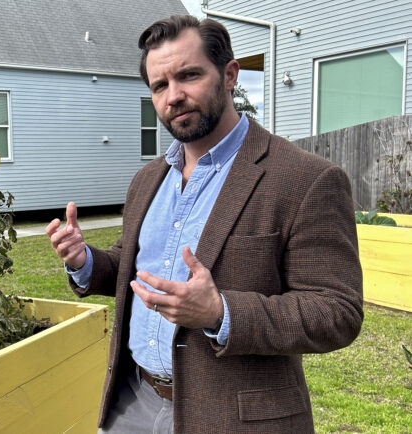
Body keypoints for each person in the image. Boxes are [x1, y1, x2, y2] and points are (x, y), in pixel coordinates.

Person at [45, 15, 362, 433]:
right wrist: (85, 261)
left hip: (234, 419)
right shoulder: (148, 179)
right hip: (133, 402)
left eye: (189, 75)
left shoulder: (305, 179)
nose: (173, 96)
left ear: (229, 75)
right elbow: (134, 265)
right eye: (160, 86)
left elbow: (337, 311)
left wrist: (220, 312)